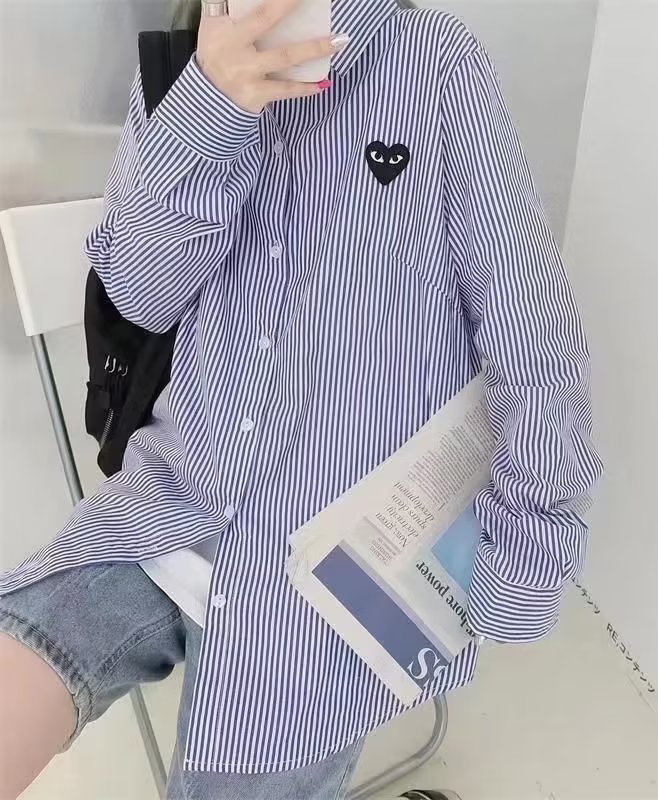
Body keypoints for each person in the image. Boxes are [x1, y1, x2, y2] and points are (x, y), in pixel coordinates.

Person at [0, 0, 602, 798]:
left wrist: (532, 540)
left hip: (332, 577)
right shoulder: (179, 72)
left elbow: (531, 324)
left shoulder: (436, 64)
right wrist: (211, 109)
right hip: (171, 503)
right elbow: (141, 296)